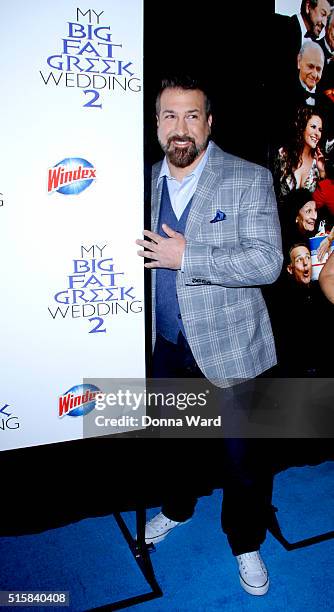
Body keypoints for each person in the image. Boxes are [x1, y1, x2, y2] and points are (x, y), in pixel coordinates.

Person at [136, 76, 283, 596]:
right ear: (156, 124)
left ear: (209, 122)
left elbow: (268, 262)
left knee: (244, 459)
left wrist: (187, 257)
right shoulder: (144, 180)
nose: (181, 128)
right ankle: (177, 509)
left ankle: (245, 541)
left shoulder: (248, 178)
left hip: (234, 347)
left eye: (192, 116)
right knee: (178, 445)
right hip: (168, 347)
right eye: (169, 117)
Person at [275, 106, 325, 202]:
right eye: (313, 127)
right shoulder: (282, 154)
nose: (317, 133)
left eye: (320, 130)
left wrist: (322, 172)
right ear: (302, 127)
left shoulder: (317, 162)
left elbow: (321, 202)